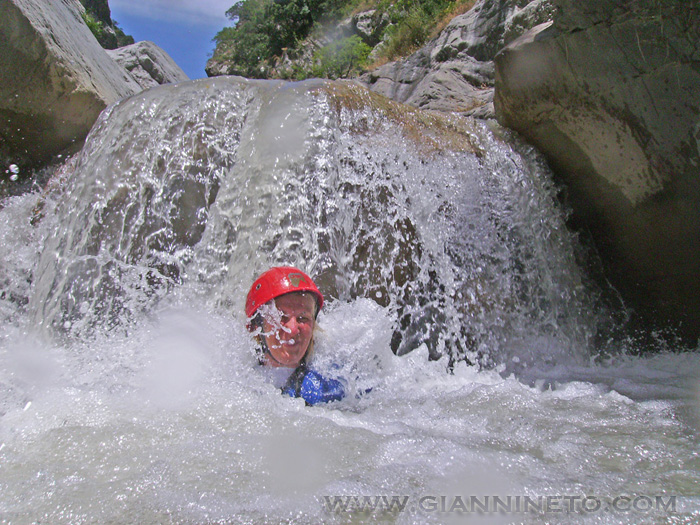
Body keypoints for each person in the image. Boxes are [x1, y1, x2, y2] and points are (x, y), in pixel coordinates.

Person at [246, 266, 345, 405]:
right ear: (256, 327)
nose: (293, 330)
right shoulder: (236, 384)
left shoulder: (332, 387)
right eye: (281, 317)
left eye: (303, 318)